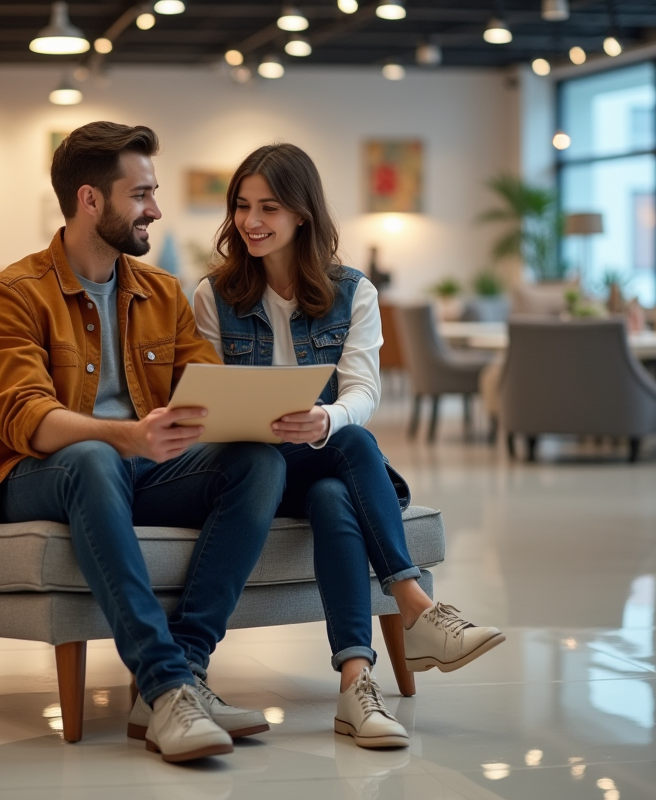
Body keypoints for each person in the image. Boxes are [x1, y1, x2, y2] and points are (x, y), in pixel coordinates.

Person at [0, 122, 286, 763]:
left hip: (136, 472)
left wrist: (251, 412)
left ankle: (186, 669)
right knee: (93, 456)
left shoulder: (161, 292)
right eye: (141, 195)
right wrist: (128, 436)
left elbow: (207, 392)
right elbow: (27, 418)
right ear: (90, 200)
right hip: (39, 474)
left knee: (256, 461)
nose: (155, 210)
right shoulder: (14, 293)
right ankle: (164, 689)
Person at [192, 143, 505, 750]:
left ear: (301, 213)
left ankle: (355, 685)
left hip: (320, 460)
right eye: (242, 207)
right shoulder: (213, 295)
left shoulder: (352, 292)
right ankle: (415, 607)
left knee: (336, 491)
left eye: (268, 208)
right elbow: (207, 397)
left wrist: (325, 418)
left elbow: (363, 390)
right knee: (354, 444)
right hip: (249, 472)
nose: (251, 221)